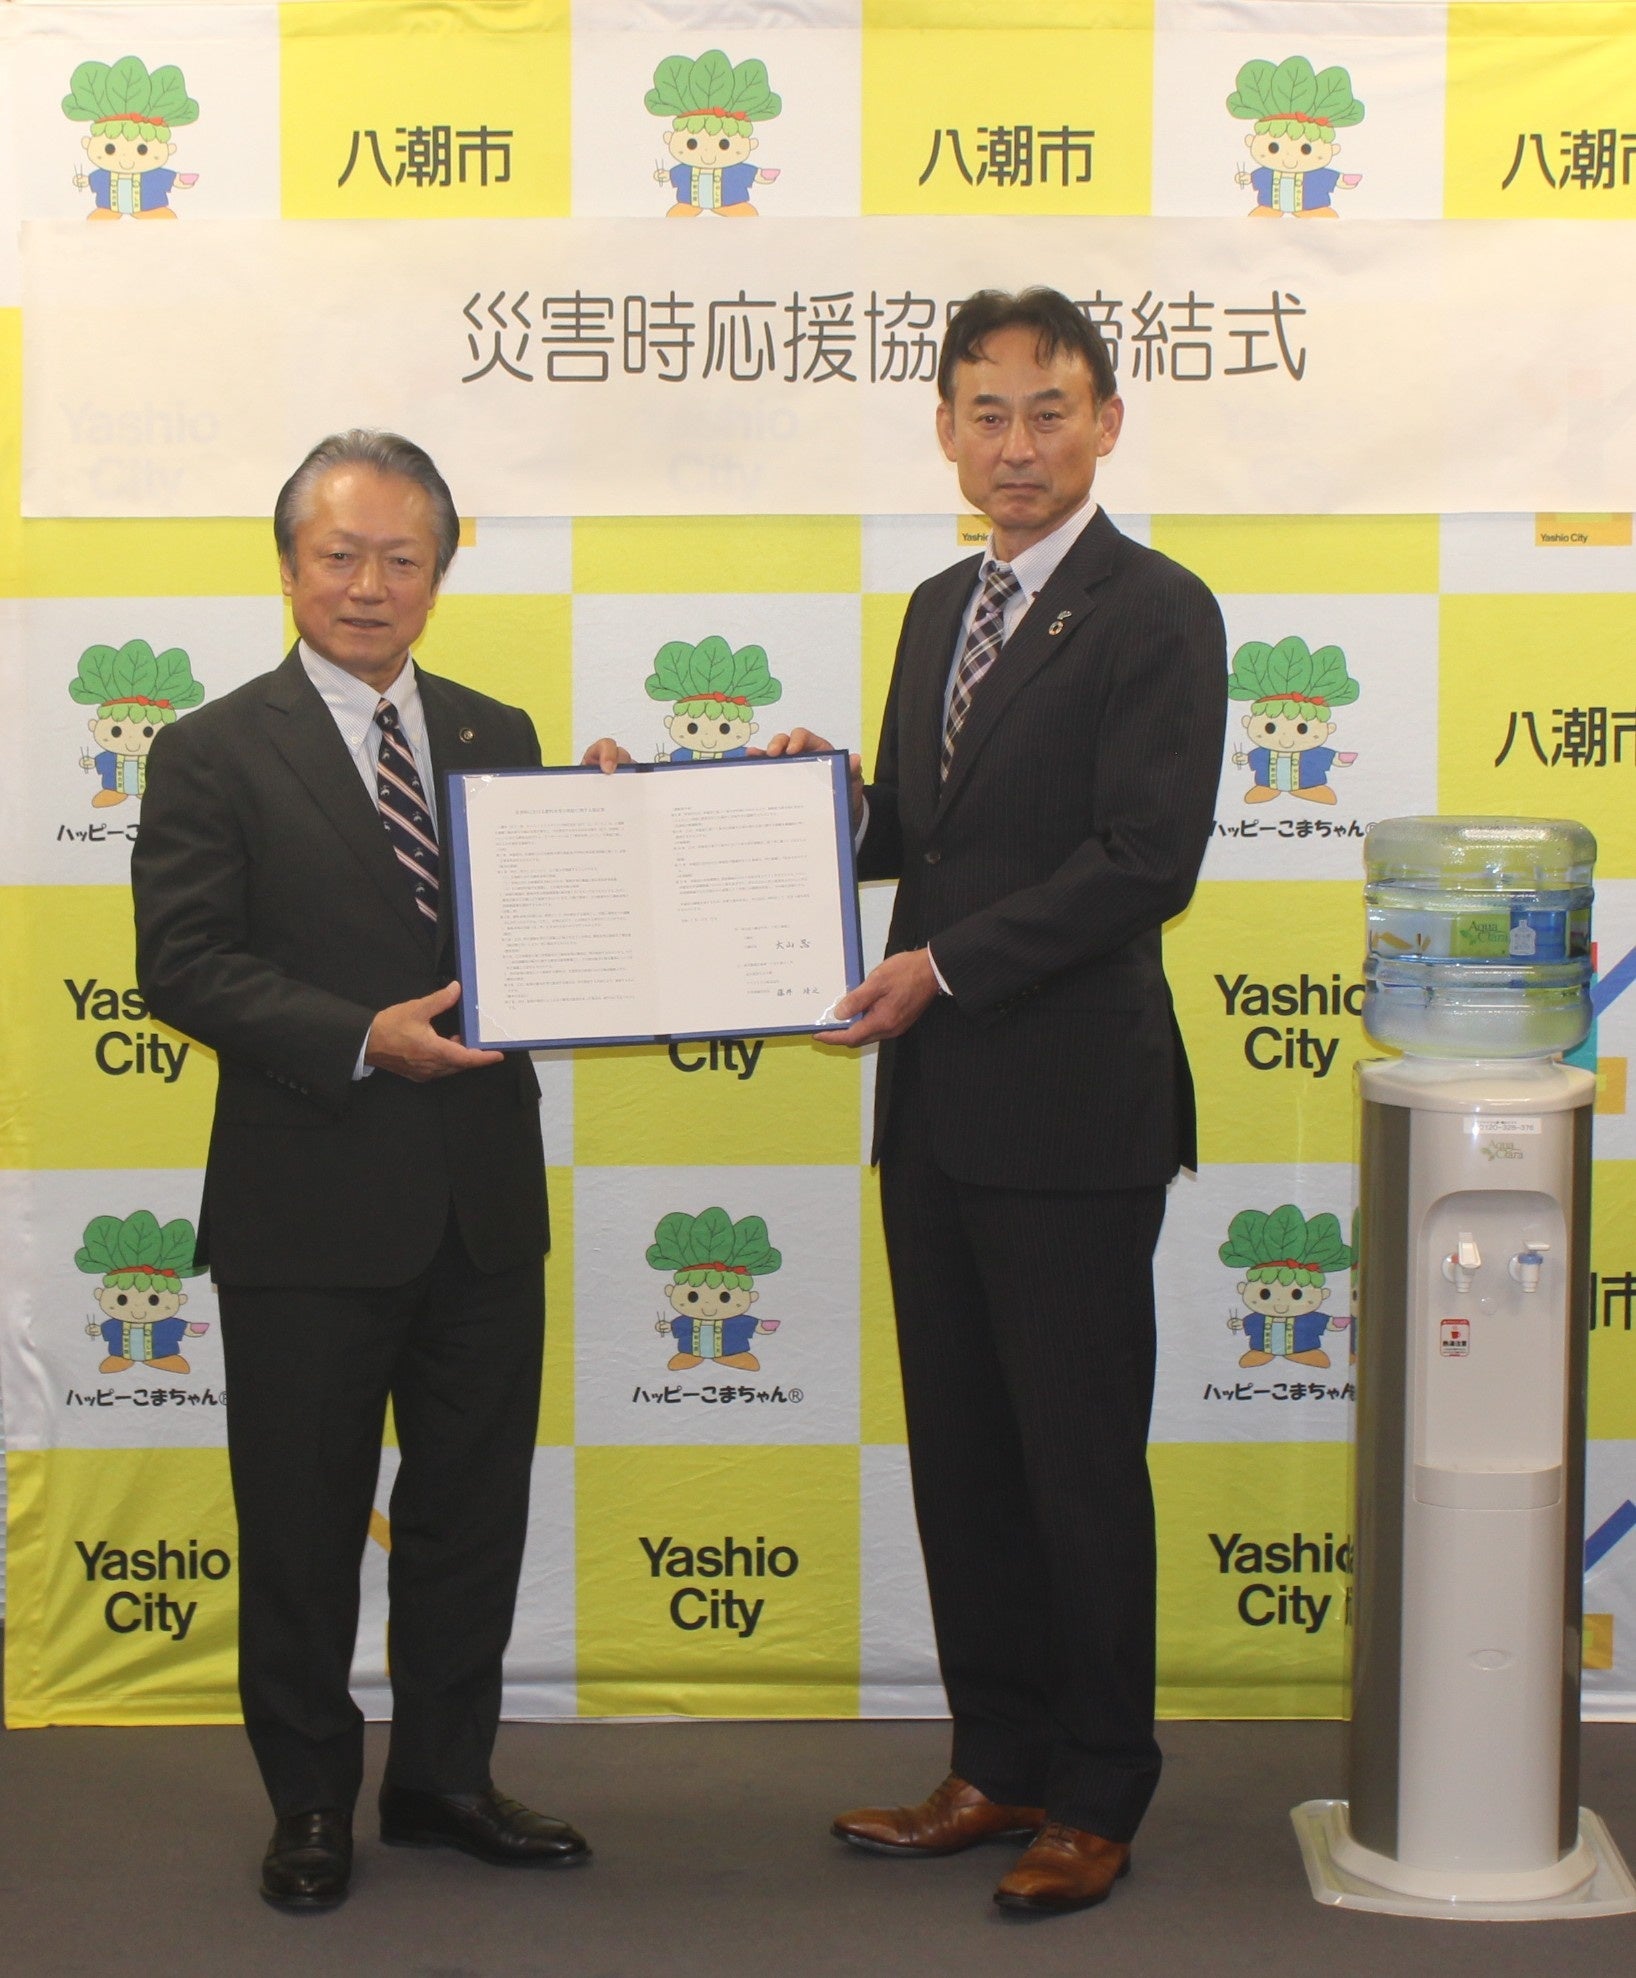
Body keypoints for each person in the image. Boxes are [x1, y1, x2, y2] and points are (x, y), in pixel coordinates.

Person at [766, 289, 1227, 1914]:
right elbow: (927, 825)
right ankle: (998, 1760)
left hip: (1073, 1114)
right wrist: (810, 803)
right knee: (964, 1456)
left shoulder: (1157, 609)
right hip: (938, 1111)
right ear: (947, 431)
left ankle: (1098, 1788)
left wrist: (943, 967)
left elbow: (1144, 859)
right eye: (986, 413)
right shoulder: (935, 606)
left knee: (1076, 1463)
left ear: (1107, 423)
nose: (1015, 445)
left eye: (1048, 411)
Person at [132, 430, 627, 1912]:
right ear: (290, 565)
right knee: (299, 1527)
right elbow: (184, 963)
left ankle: (444, 1780)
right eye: (338, 555)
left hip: (483, 1206)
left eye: (401, 558)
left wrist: (614, 831)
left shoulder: (497, 729)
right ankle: (308, 1802)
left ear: (440, 572)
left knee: (471, 1516)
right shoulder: (211, 749)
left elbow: (545, 934)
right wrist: (360, 1037)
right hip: (306, 1208)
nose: (368, 584)